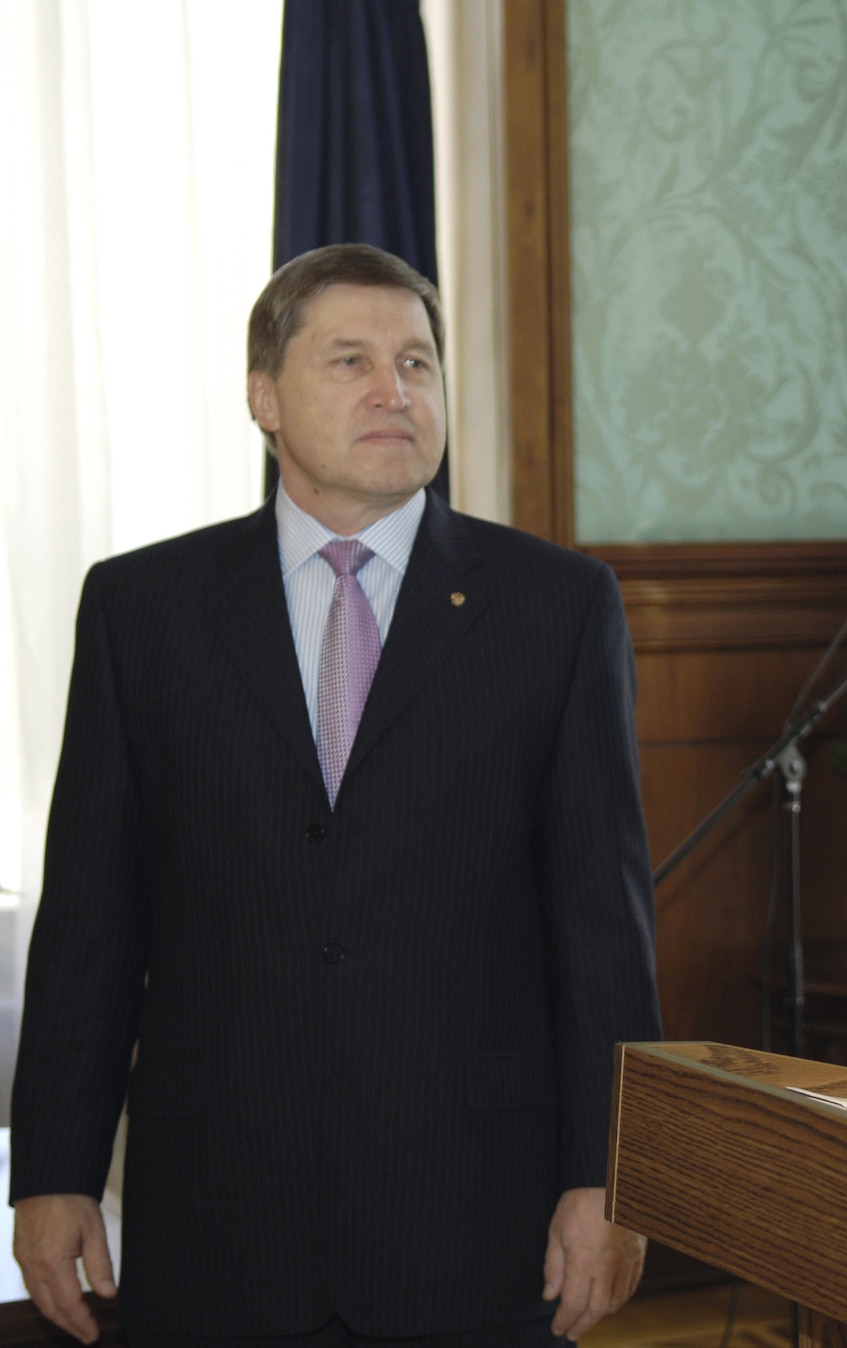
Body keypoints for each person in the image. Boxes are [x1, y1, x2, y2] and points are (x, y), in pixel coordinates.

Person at [10, 243, 663, 1345]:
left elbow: (604, 930)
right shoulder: (143, 611)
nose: (392, 390)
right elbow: (90, 921)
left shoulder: (556, 608)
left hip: (472, 1209)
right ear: (263, 396)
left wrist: (612, 1180)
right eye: (349, 361)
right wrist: (55, 1169)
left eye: (416, 363)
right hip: (218, 1208)